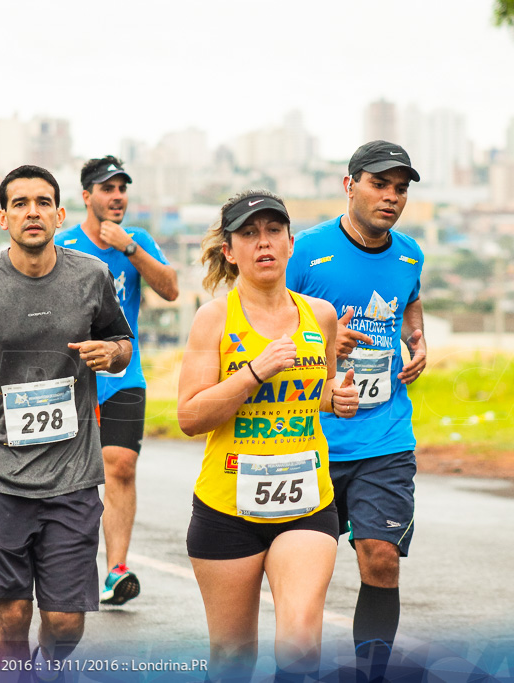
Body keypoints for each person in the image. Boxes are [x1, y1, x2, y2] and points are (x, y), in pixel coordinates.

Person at [0, 165, 133, 671]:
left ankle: (46, 666)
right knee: (13, 613)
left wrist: (110, 354)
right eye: (20, 204)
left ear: (60, 214)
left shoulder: (92, 276)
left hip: (73, 476)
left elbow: (123, 344)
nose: (32, 212)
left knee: (66, 622)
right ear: (3, 217)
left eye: (43, 202)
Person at [177, 190, 359, 682]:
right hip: (227, 508)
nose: (264, 243)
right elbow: (190, 417)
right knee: (234, 658)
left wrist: (336, 396)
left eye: (273, 231)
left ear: (291, 243)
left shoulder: (318, 314)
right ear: (229, 251)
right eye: (249, 234)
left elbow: (313, 390)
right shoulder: (213, 319)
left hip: (307, 501)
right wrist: (253, 372)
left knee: (300, 643)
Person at [285, 140, 427, 678]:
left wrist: (418, 339)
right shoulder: (306, 251)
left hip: (384, 437)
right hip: (309, 438)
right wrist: (320, 342)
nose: (390, 197)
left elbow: (409, 299)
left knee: (381, 558)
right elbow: (268, 321)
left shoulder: (411, 252)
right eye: (379, 184)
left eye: (400, 189)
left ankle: (373, 671)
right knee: (306, 575)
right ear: (350, 185)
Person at [54, 156, 178, 605]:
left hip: (125, 372)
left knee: (120, 465)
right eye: (108, 188)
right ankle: (67, 564)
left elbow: (171, 289)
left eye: (123, 188)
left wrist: (129, 249)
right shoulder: (63, 242)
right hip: (71, 377)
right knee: (74, 474)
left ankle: (116, 570)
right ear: (86, 196)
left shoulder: (137, 241)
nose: (118, 196)